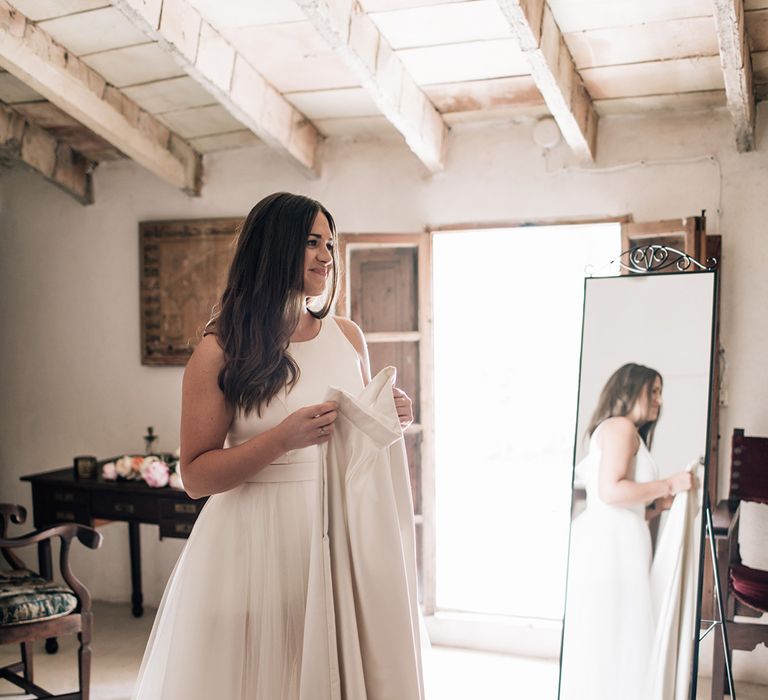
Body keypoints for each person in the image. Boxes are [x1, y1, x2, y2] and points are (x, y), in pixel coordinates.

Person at [131, 192, 417, 700]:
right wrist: (281, 440)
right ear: (274, 246)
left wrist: (391, 416)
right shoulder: (219, 349)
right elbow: (196, 478)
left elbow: (361, 442)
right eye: (311, 242)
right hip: (251, 543)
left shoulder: (348, 337)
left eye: (330, 242)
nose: (326, 255)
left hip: (335, 533)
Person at [559, 363, 693, 700]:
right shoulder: (620, 427)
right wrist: (667, 484)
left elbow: (623, 503)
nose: (660, 400)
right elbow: (611, 492)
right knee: (613, 633)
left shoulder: (626, 431)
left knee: (617, 635)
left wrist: (656, 507)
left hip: (621, 541)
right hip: (611, 546)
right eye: (654, 391)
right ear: (631, 389)